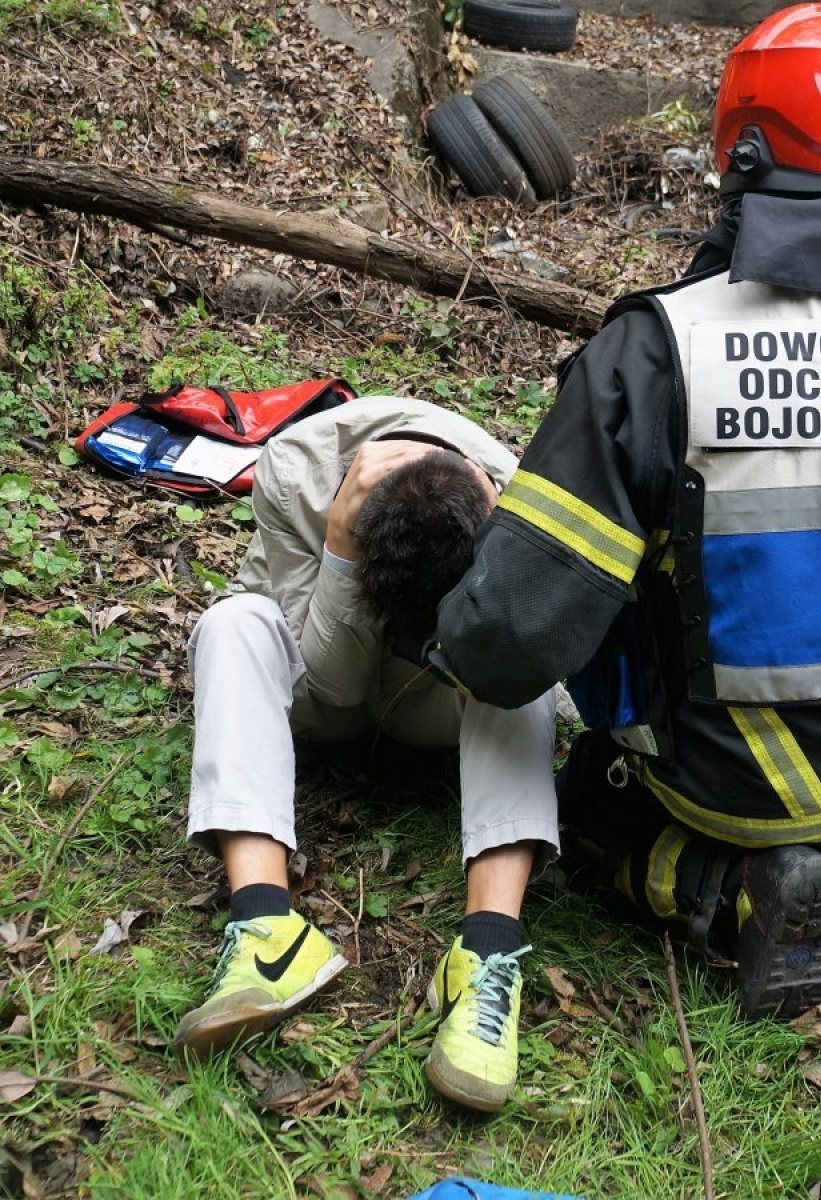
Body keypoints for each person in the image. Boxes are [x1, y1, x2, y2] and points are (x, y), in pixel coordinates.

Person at [430, 2, 821, 1020]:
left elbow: (514, 632)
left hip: (718, 771)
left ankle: (718, 890)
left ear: (743, 146)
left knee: (591, 798)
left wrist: (447, 647)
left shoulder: (651, 353)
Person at [174, 396, 562, 1114]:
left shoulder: (519, 500)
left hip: (438, 698)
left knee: (521, 665)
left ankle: (487, 953)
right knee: (231, 623)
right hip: (325, 696)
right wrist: (341, 551)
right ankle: (266, 927)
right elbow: (334, 682)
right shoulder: (293, 472)